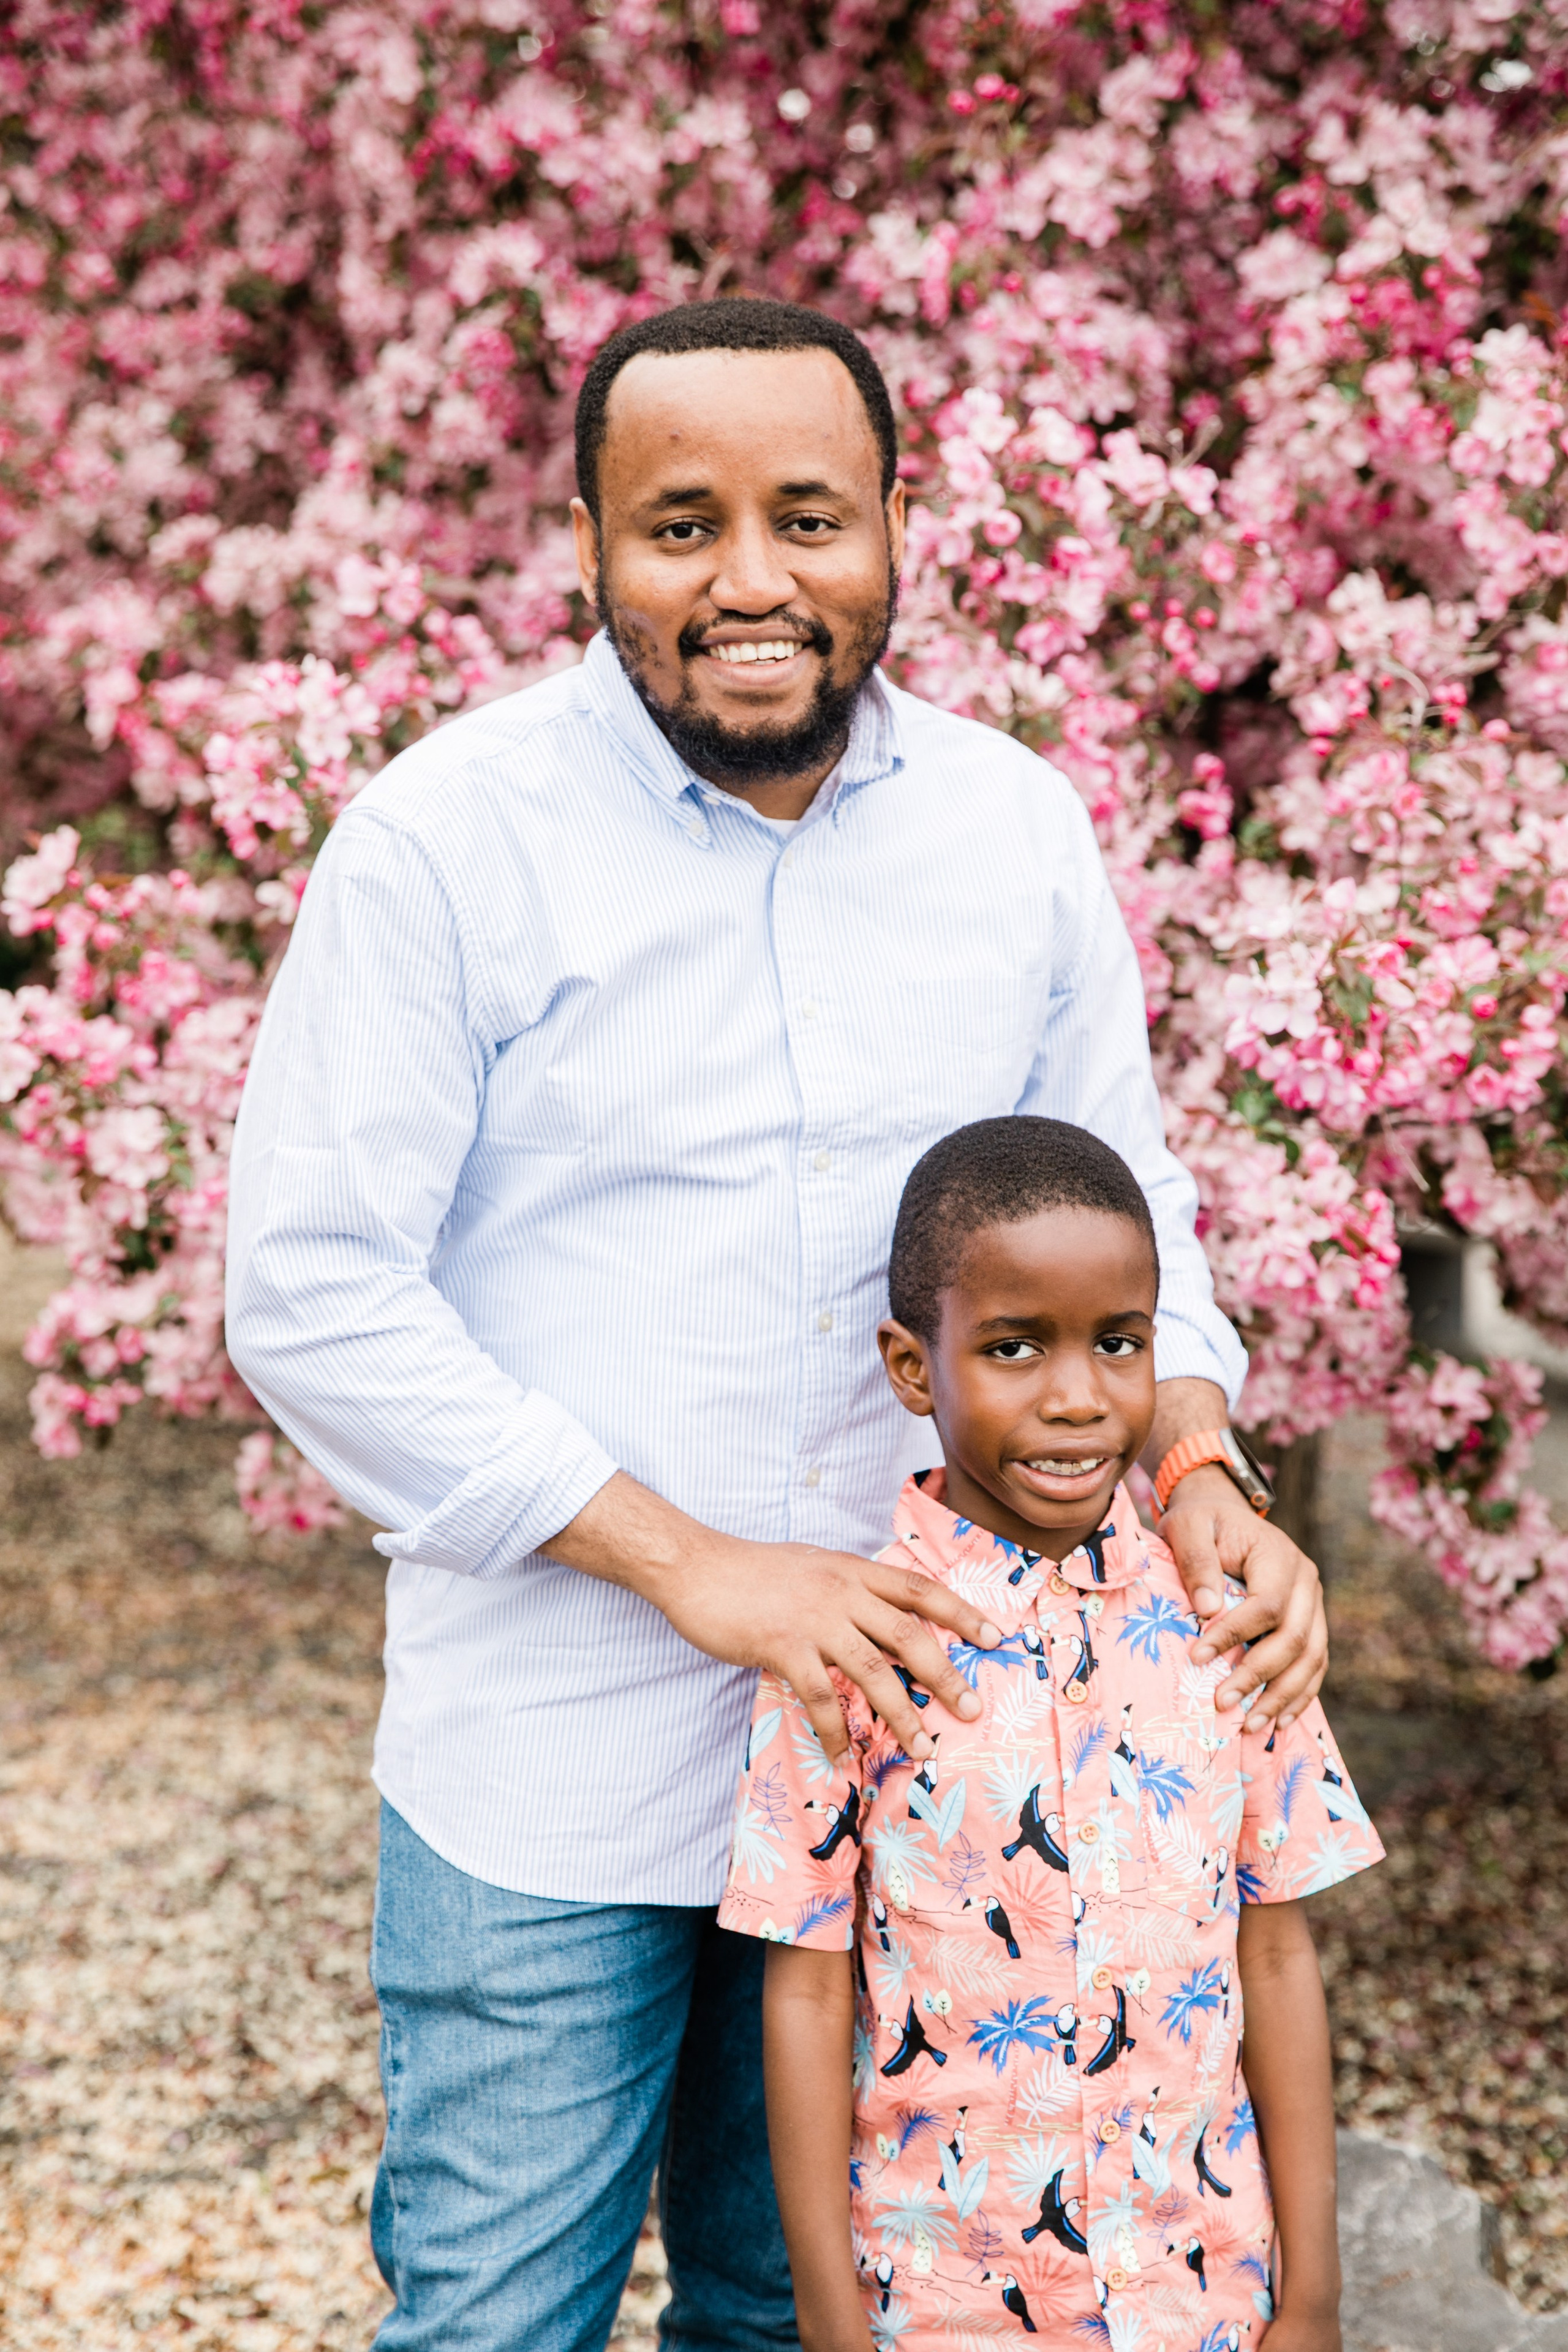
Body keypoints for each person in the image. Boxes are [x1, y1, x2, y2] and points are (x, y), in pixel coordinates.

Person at [224, 298, 1329, 2352]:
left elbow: (1124, 1200)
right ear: (587, 548)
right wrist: (695, 1567)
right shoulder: (445, 843)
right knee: (490, 2321)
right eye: (681, 524)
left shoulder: (1011, 831)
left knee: (794, 2312)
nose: (751, 579)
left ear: (900, 524)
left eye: (807, 516)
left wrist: (1199, 1469)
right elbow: (308, 1289)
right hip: (559, 1761)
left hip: (913, 1758)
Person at [725, 1115, 1381, 2352]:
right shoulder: (851, 1650)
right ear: (913, 1368)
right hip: (943, 2304)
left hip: (1202, 2298)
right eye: (1014, 1347)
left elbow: (1278, 1957)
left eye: (1117, 1343)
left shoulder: (1228, 1625)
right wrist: (828, 2322)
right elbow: (805, 1996)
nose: (1077, 1397)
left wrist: (1313, 2297)